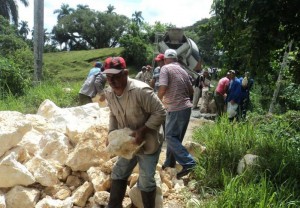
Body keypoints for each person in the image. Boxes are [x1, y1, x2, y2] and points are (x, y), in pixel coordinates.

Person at [102, 57, 166, 208]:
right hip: (128, 143)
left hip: (149, 141)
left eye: (116, 76)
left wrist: (143, 131)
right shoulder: (110, 93)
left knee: (145, 180)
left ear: (125, 73)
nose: (111, 80)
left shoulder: (140, 90)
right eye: (108, 76)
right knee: (118, 172)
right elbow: (113, 114)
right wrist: (111, 133)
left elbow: (161, 112)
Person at [157, 49, 196, 179]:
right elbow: (191, 90)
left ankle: (189, 162)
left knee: (169, 137)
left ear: (165, 59)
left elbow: (162, 87)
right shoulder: (183, 70)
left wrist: (157, 100)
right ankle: (169, 164)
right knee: (175, 139)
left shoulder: (165, 68)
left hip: (175, 108)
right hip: (186, 108)